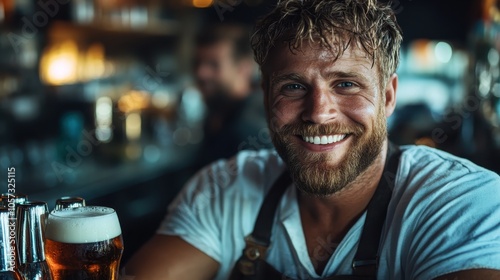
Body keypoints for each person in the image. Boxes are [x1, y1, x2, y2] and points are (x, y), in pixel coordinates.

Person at [125, 0, 500, 279]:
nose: (319, 113)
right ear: (267, 97)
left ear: (387, 96)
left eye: (346, 84)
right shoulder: (224, 188)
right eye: (292, 86)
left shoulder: (462, 203)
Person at [192, 23, 270, 168]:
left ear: (243, 68)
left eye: (213, 64)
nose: (200, 73)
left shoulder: (249, 127)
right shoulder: (220, 111)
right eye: (198, 63)